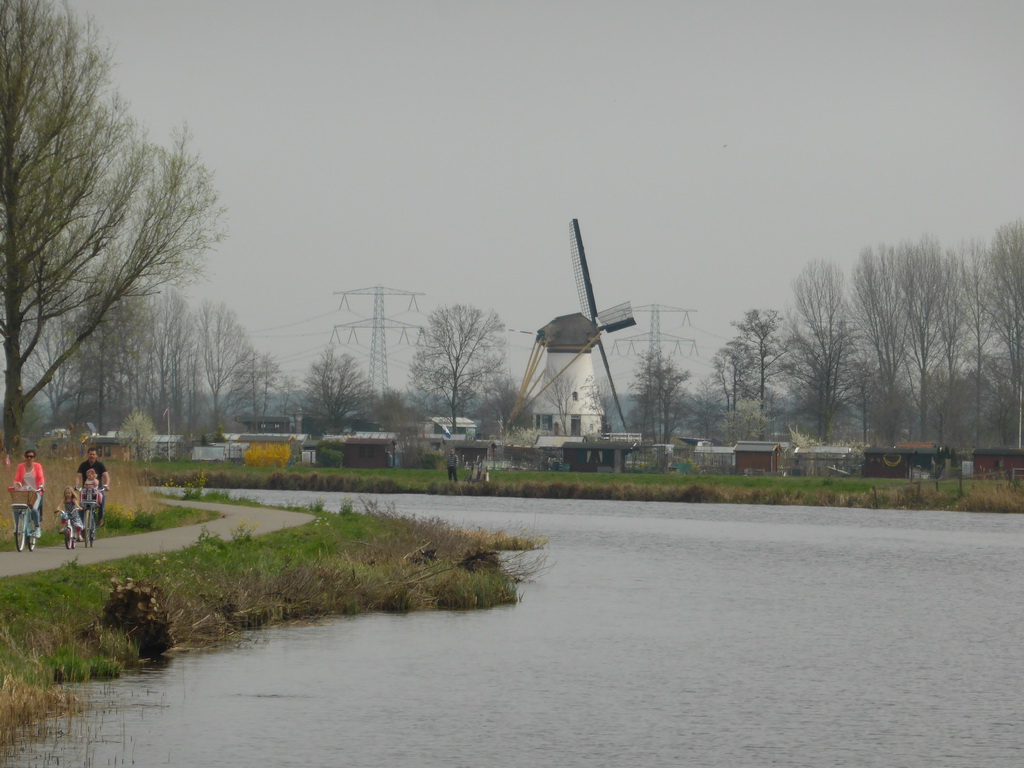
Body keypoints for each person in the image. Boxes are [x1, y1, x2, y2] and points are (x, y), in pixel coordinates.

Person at [13, 448, 44, 539]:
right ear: (25, 457)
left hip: (35, 492)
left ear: (34, 458)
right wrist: (15, 485)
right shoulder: (20, 467)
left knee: (34, 509)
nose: (29, 458)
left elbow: (41, 477)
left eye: (31, 456)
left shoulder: (37, 466)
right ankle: (18, 527)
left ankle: (37, 528)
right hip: (24, 492)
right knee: (15, 508)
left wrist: (41, 486)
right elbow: (16, 478)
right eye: (27, 456)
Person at [76, 447, 110, 525]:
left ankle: (100, 518)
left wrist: (106, 485)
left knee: (102, 498)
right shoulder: (83, 465)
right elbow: (78, 476)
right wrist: (76, 485)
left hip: (97, 489)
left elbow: (106, 476)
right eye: (90, 454)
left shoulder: (100, 465)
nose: (92, 456)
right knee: (81, 503)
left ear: (96, 456)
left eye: (94, 454)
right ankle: (80, 524)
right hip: (86, 489)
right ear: (87, 455)